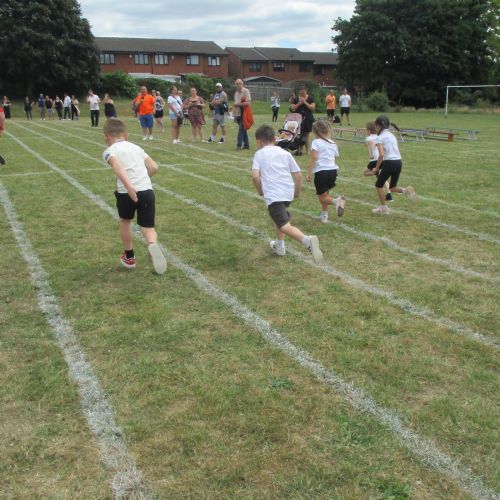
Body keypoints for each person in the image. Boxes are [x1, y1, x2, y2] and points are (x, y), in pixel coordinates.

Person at [102, 118, 167, 274]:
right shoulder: (136, 147)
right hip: (146, 191)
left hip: (126, 193)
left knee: (125, 221)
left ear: (106, 137)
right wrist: (143, 180)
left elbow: (117, 167)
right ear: (126, 135)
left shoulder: (110, 151)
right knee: (148, 228)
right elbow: (153, 167)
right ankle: (152, 244)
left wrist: (129, 186)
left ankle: (129, 257)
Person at [251, 124, 323, 264]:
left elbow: (255, 176)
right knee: (280, 220)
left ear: (258, 142)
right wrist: (297, 192)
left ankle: (307, 241)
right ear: (274, 139)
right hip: (287, 193)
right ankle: (280, 246)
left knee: (283, 224)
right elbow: (298, 175)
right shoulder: (285, 153)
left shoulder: (259, 154)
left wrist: (260, 191)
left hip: (274, 195)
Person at [371, 115, 416, 214]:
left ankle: (383, 208)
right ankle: (406, 191)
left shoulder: (379, 138)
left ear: (378, 126)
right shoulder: (392, 135)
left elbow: (381, 154)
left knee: (378, 185)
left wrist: (376, 168)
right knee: (392, 187)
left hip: (390, 163)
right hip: (398, 162)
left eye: (375, 126)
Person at [306, 120, 346, 224]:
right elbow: (334, 157)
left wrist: (309, 172)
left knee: (322, 197)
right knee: (325, 194)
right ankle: (324, 214)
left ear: (316, 131)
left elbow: (314, 157)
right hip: (332, 171)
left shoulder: (316, 142)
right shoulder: (333, 143)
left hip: (321, 172)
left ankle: (336, 201)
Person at [363, 121, 391, 202]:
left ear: (369, 131)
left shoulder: (369, 138)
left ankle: (374, 172)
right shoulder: (378, 136)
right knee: (382, 178)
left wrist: (371, 153)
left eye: (366, 130)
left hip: (374, 160)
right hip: (382, 159)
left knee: (365, 173)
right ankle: (389, 195)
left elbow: (371, 143)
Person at [290, 86, 315, 156]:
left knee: (307, 135)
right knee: (298, 134)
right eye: (301, 93)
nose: (302, 94)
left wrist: (305, 102)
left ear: (306, 91)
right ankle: (299, 150)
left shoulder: (310, 98)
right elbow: (292, 108)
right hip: (298, 118)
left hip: (308, 118)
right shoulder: (296, 99)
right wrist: (299, 104)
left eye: (303, 93)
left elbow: (313, 108)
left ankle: (308, 151)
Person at [234, 78, 251, 150]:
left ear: (242, 84)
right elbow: (235, 105)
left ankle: (239, 145)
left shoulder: (246, 91)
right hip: (238, 114)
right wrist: (235, 116)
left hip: (244, 114)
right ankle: (246, 145)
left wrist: (238, 104)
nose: (238, 85)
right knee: (243, 130)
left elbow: (248, 102)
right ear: (235, 85)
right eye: (237, 84)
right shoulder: (236, 93)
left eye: (240, 83)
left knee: (240, 130)